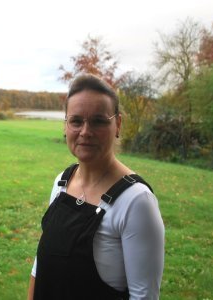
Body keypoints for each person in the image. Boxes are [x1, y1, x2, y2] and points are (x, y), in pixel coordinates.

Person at [27, 73, 164, 299]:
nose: (85, 132)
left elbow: (144, 296)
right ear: (65, 126)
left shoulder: (137, 201)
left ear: (117, 124)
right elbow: (41, 265)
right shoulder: (62, 182)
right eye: (76, 121)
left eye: (99, 121)